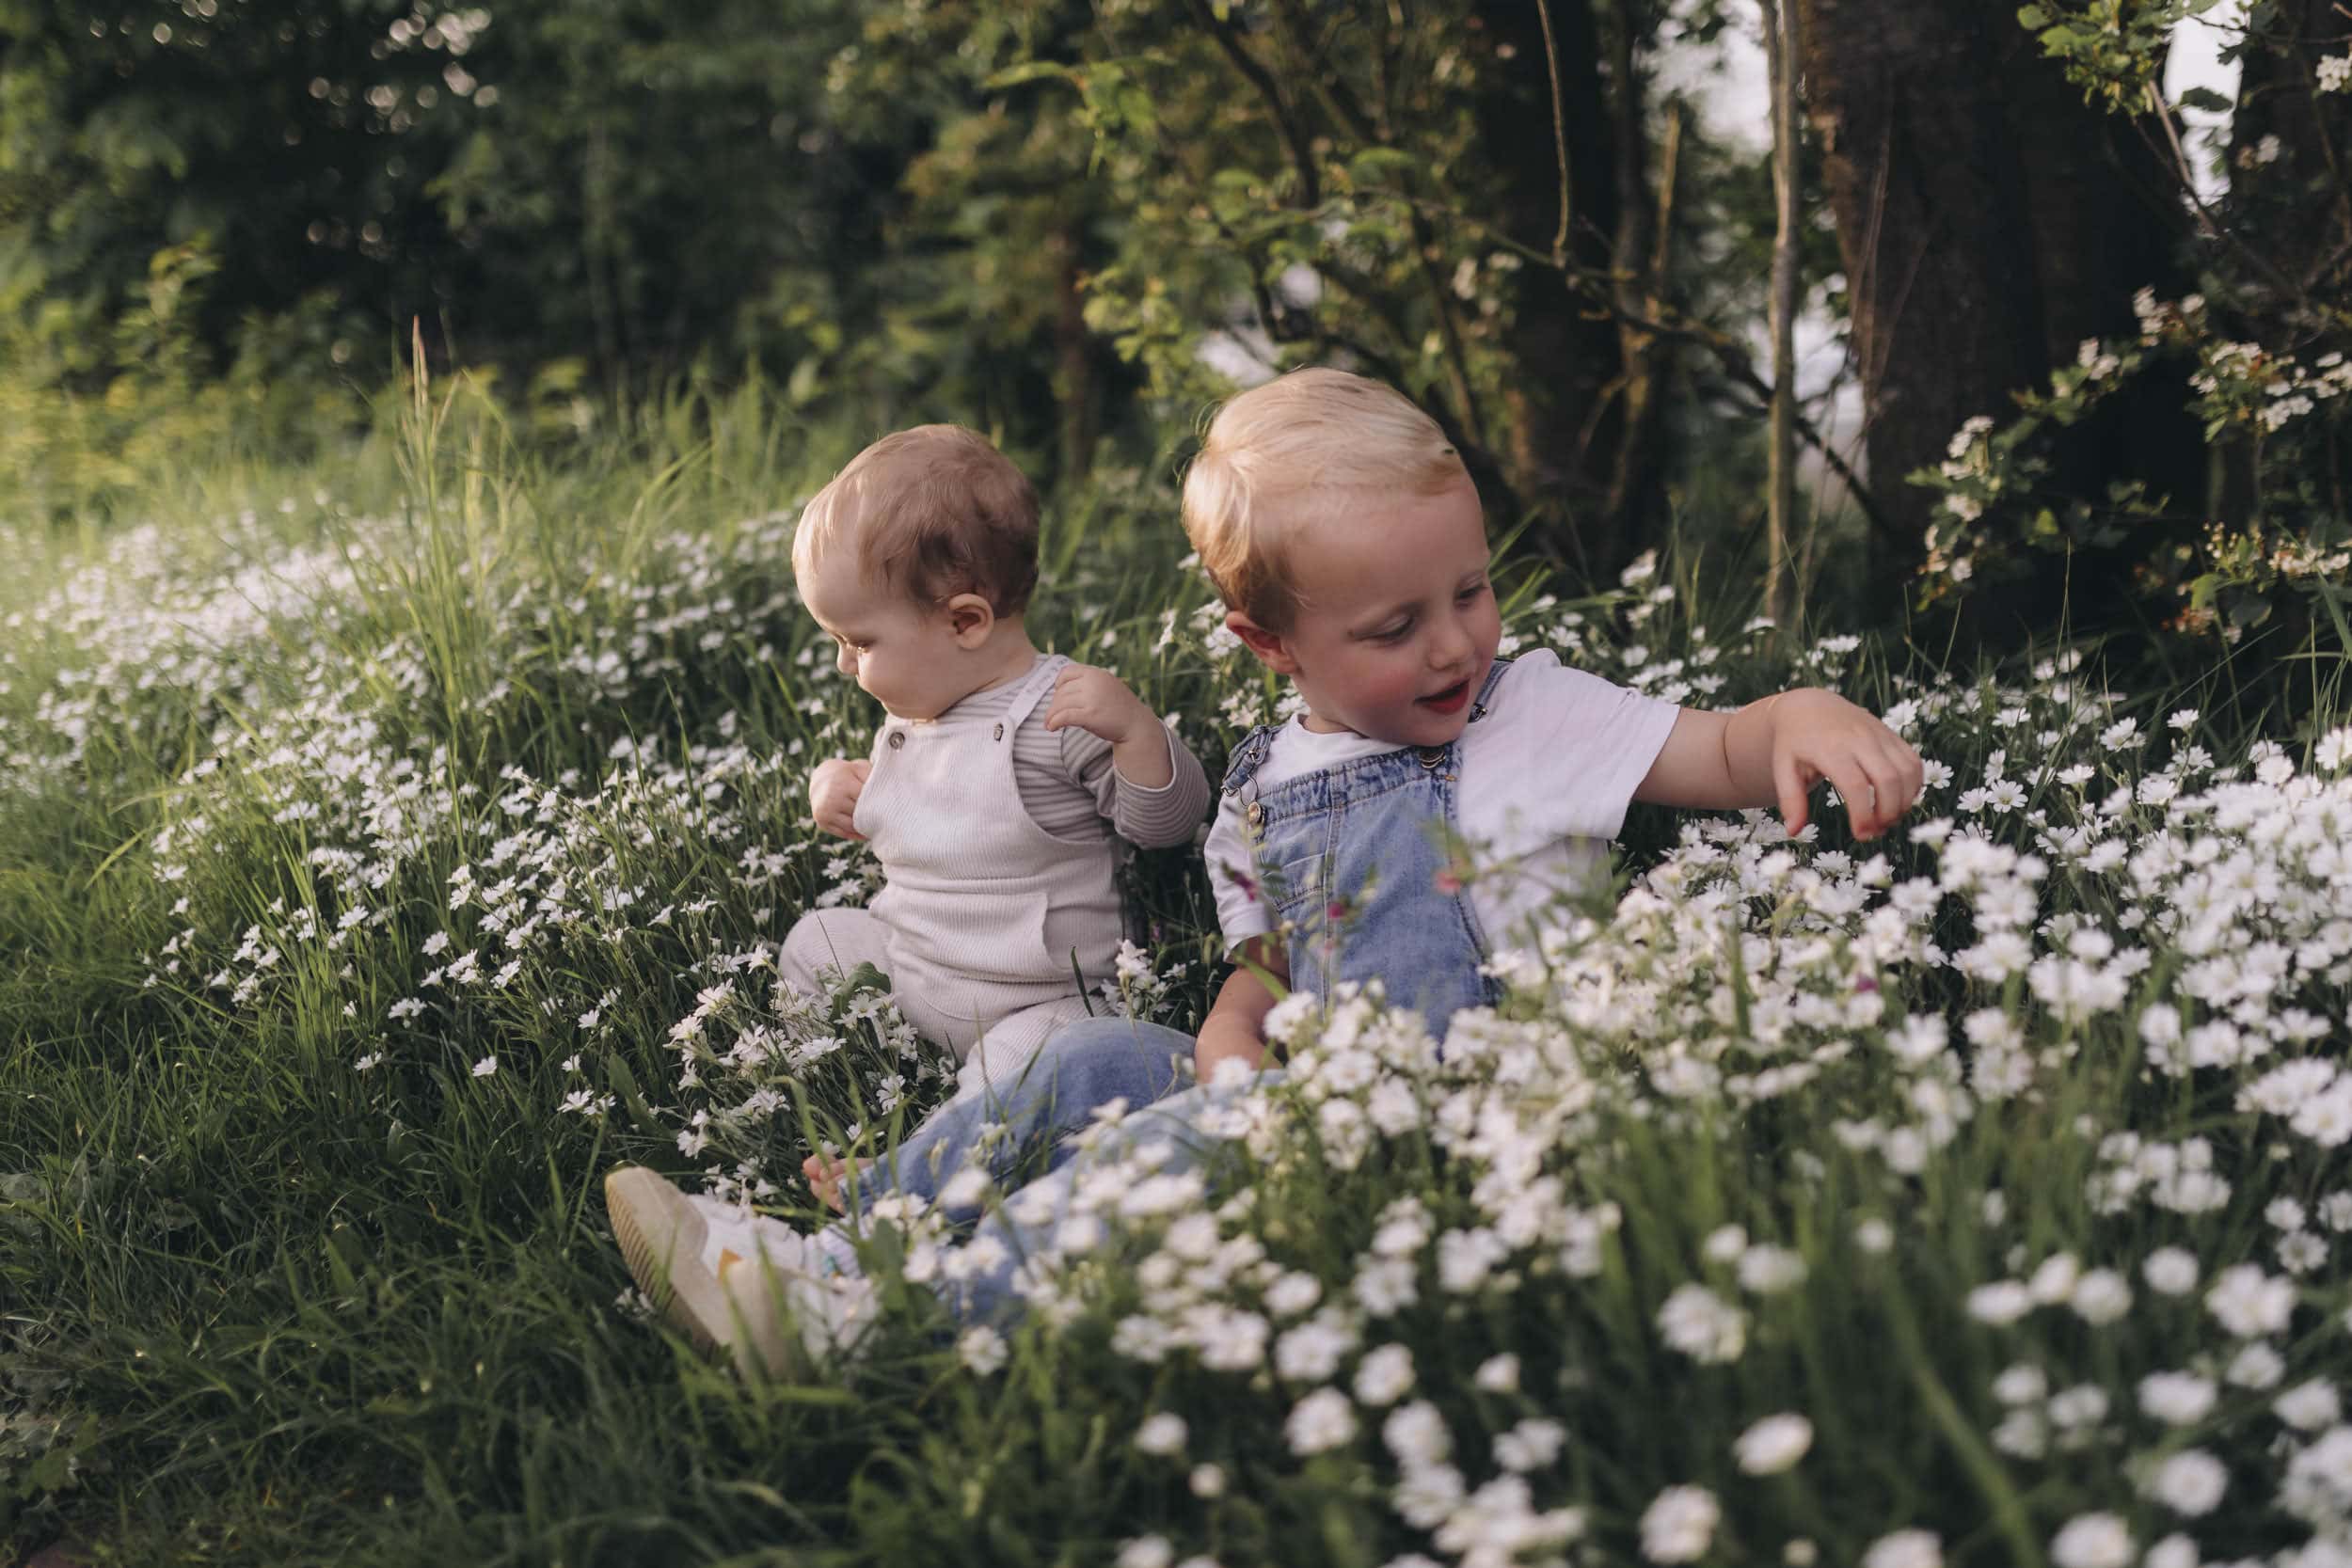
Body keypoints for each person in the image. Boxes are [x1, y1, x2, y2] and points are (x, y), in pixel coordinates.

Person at [614, 371, 1925, 1374]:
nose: (1454, 643)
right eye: (1394, 625)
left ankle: (871, 1319)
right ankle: (837, 1238)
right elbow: (1269, 963)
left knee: (1161, 1159)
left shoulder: (1532, 713)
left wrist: (1797, 714)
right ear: (1268, 641)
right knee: (1080, 1062)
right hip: (1301, 1087)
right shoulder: (1263, 783)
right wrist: (1233, 1036)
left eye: (1469, 591)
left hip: (1456, 1117)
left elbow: (1715, 747)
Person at [605, 424, 1210, 1374]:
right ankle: (797, 1073)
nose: (849, 665)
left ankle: (914, 1173)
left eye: (859, 641)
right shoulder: (915, 712)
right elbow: (918, 819)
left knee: (1019, 1077)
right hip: (918, 962)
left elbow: (1166, 824)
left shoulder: (1056, 717)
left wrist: (1138, 734)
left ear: (965, 621)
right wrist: (838, 794)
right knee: (819, 937)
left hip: (1036, 1002)